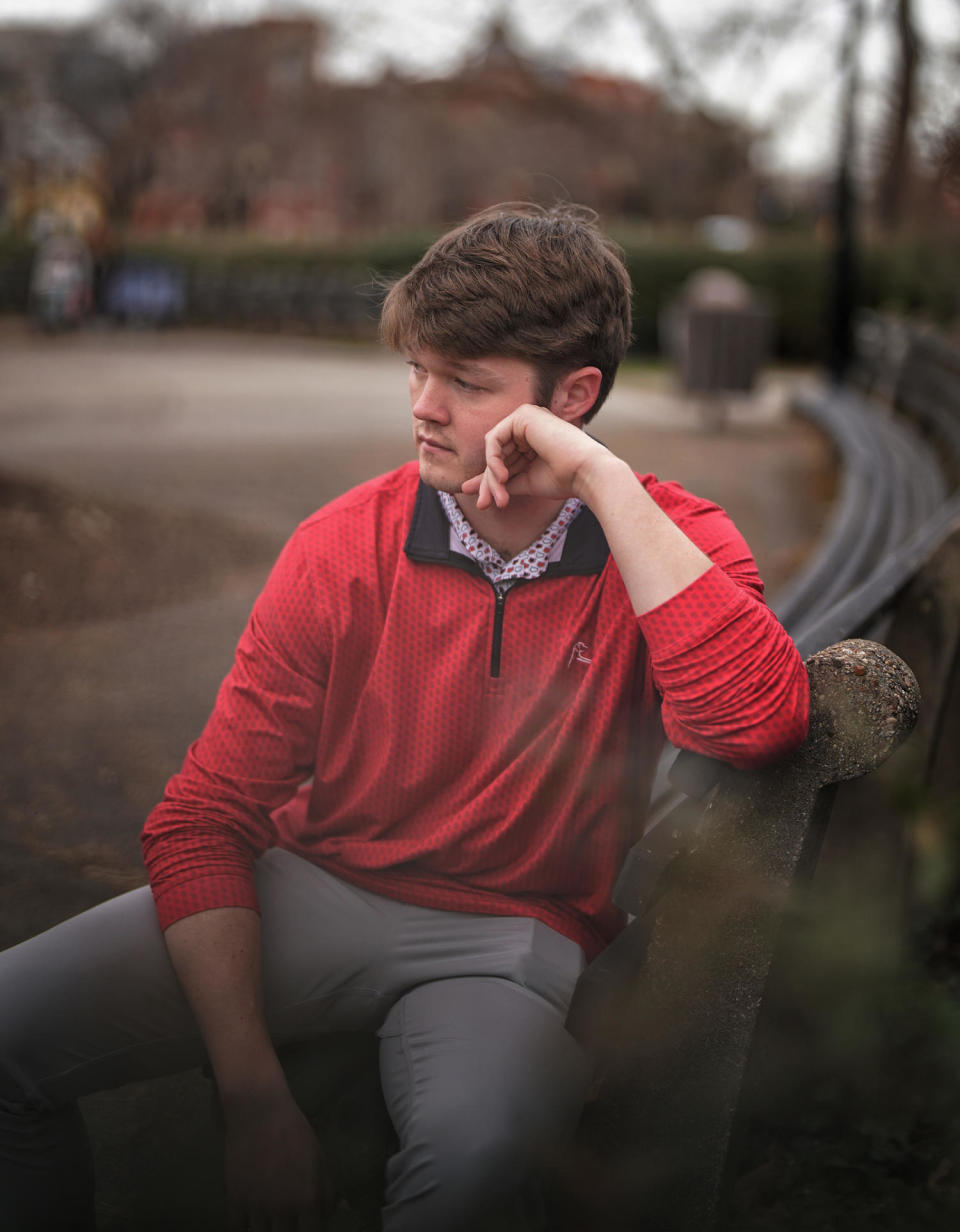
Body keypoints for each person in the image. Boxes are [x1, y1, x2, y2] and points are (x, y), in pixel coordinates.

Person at [0, 204, 810, 1231]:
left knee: (476, 1158)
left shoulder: (666, 544)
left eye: (467, 382)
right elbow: (204, 817)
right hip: (320, 889)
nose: (424, 407)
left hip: (515, 936)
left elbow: (758, 724)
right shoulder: (342, 547)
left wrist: (605, 482)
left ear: (574, 397)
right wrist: (253, 1098)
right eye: (418, 371)